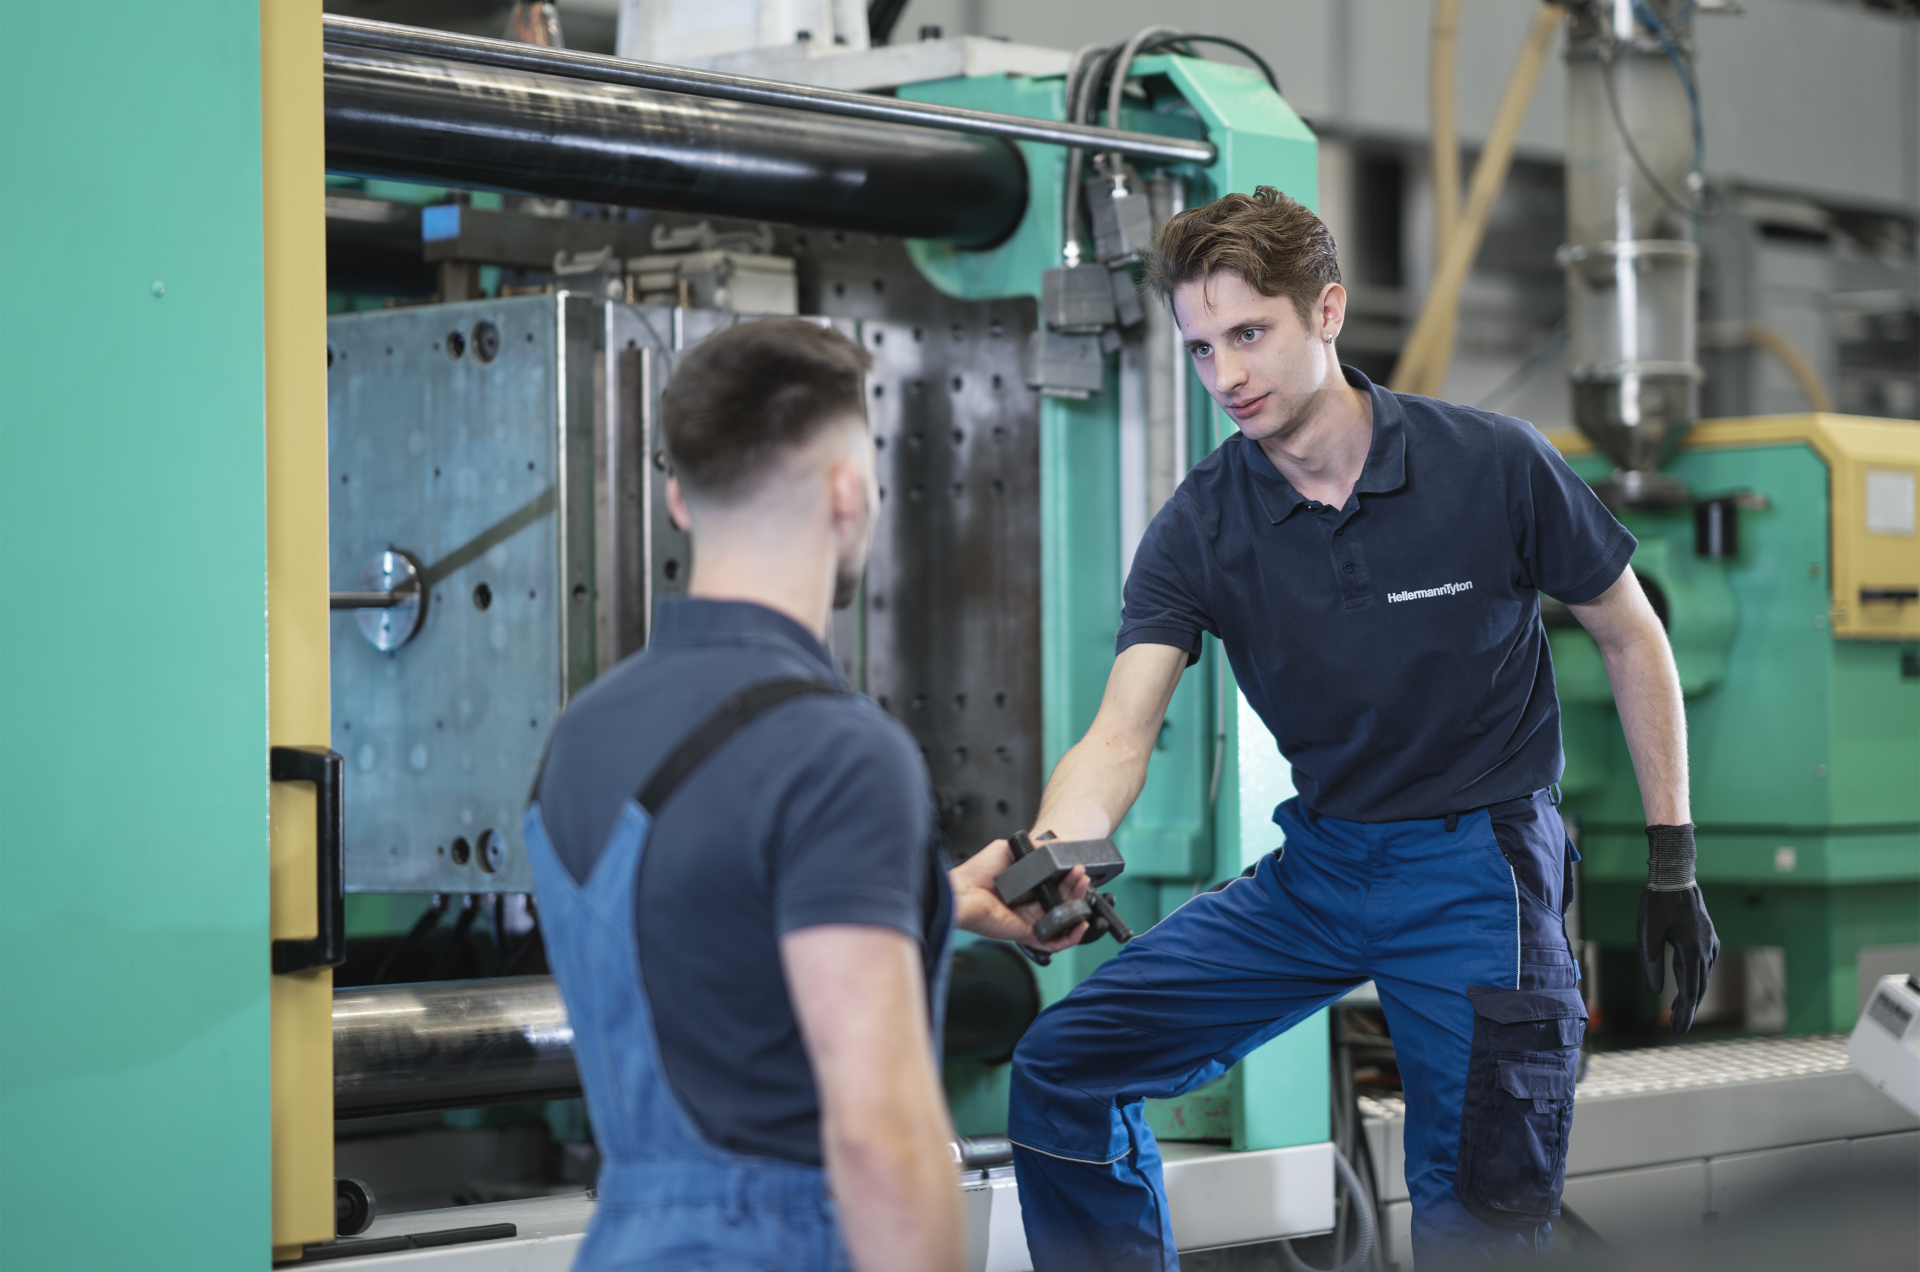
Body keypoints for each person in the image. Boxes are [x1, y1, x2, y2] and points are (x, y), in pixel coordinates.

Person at [1001, 188, 1720, 1269]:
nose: (1226, 377)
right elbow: (1122, 729)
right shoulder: (1202, 523)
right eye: (1201, 350)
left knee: (1476, 1213)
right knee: (1065, 1064)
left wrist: (1672, 857)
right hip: (1323, 866)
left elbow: (1631, 635)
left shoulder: (1492, 464)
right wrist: (1060, 848)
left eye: (1250, 334)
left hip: (1479, 871)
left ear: (1326, 311)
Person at [525, 319, 1088, 1271]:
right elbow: (879, 1139)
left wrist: (929, 899)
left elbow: (701, 925)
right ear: (847, 491)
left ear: (677, 499)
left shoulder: (581, 735)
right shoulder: (839, 751)